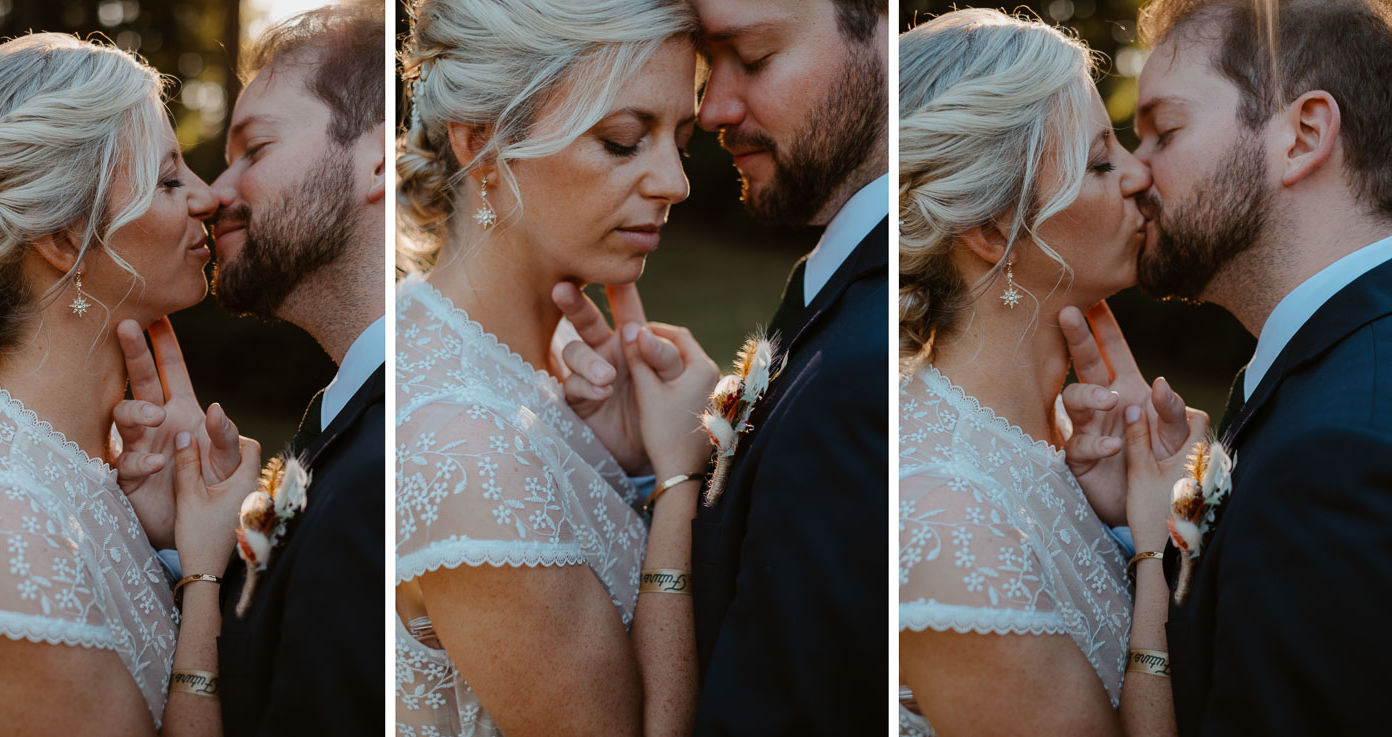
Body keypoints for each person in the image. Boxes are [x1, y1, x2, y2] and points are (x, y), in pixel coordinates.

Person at [0, 33, 258, 735]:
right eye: (169, 179)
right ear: (63, 235)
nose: (209, 197)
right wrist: (205, 579)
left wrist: (172, 542)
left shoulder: (79, 475)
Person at [552, 0, 890, 732]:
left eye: (757, 58)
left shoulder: (865, 368)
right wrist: (672, 460)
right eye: (712, 65)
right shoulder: (837, 295)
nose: (711, 109)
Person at [1060, 1, 1392, 733]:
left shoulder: (1336, 452)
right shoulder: (1331, 375)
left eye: (1164, 132)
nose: (1134, 174)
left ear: (1303, 135)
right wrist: (1173, 515)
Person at [393, 0, 724, 734]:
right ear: (482, 142)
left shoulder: (500, 368)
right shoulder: (463, 444)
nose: (675, 182)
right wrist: (678, 480)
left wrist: (630, 467)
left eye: (681, 140)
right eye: (623, 140)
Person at [897, 8, 1212, 736]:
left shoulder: (1068, 444)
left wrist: (1128, 518)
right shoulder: (945, 519)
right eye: (1101, 161)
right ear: (991, 228)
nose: (1138, 173)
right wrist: (1157, 551)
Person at [112, 6, 388, 735]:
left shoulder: (386, 469)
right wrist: (193, 549)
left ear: (382, 159)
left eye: (253, 150)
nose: (213, 193)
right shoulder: (350, 427)